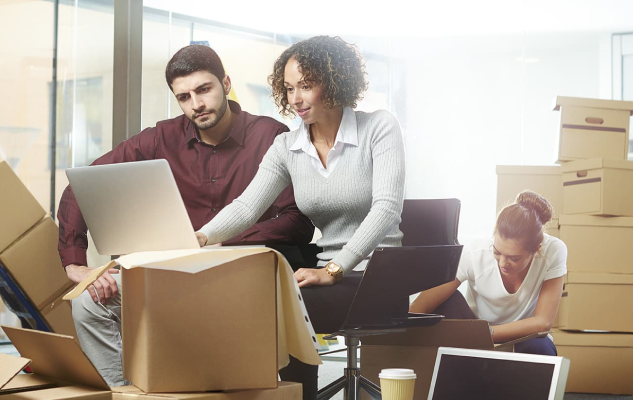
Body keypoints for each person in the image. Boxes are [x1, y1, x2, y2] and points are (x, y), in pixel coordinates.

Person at [57, 44, 315, 386]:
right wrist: (75, 263)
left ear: (225, 83)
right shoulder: (159, 139)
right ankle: (125, 394)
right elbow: (80, 187)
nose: (196, 104)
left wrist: (222, 239)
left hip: (244, 273)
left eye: (204, 89)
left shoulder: (269, 136)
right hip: (173, 273)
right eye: (183, 97)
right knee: (88, 305)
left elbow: (297, 220)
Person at [195, 36, 406, 400]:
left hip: (379, 274)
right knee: (253, 296)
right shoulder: (287, 147)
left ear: (335, 81)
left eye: (306, 86)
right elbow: (247, 207)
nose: (295, 99)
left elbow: (386, 208)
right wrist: (199, 237)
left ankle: (297, 395)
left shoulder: (379, 128)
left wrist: (334, 269)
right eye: (289, 88)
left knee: (282, 306)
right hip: (327, 272)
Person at [410, 191, 566, 356]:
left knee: (541, 348)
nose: (502, 263)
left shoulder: (554, 251)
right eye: (497, 252)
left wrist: (484, 334)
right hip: (475, 328)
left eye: (514, 258)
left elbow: (543, 322)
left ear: (536, 249)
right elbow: (421, 306)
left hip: (524, 335)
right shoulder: (476, 253)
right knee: (446, 301)